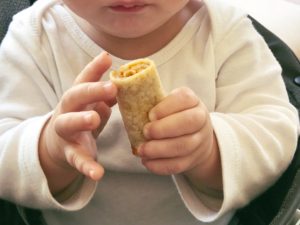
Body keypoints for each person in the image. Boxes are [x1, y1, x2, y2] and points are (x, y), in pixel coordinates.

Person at [0, 0, 298, 224]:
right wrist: (48, 150)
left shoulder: (225, 33)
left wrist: (210, 152)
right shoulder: (34, 38)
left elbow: (276, 131)